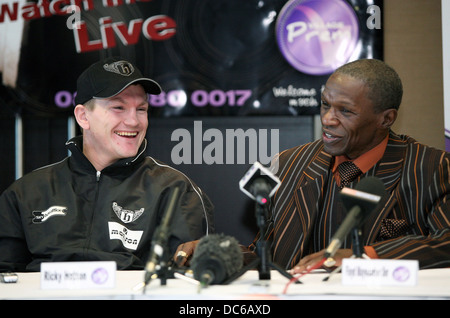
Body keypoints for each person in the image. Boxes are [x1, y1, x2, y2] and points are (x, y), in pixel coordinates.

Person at [175, 59, 450, 272]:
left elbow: (446, 242)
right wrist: (219, 253)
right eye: (325, 105)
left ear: (386, 119)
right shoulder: (288, 165)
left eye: (346, 111)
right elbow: (265, 255)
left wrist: (364, 256)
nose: (328, 120)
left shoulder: (432, 168)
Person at [0, 57, 214, 272]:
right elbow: (5, 280)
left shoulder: (175, 190)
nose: (133, 121)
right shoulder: (26, 192)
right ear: (83, 116)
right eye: (118, 107)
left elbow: (190, 281)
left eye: (141, 109)